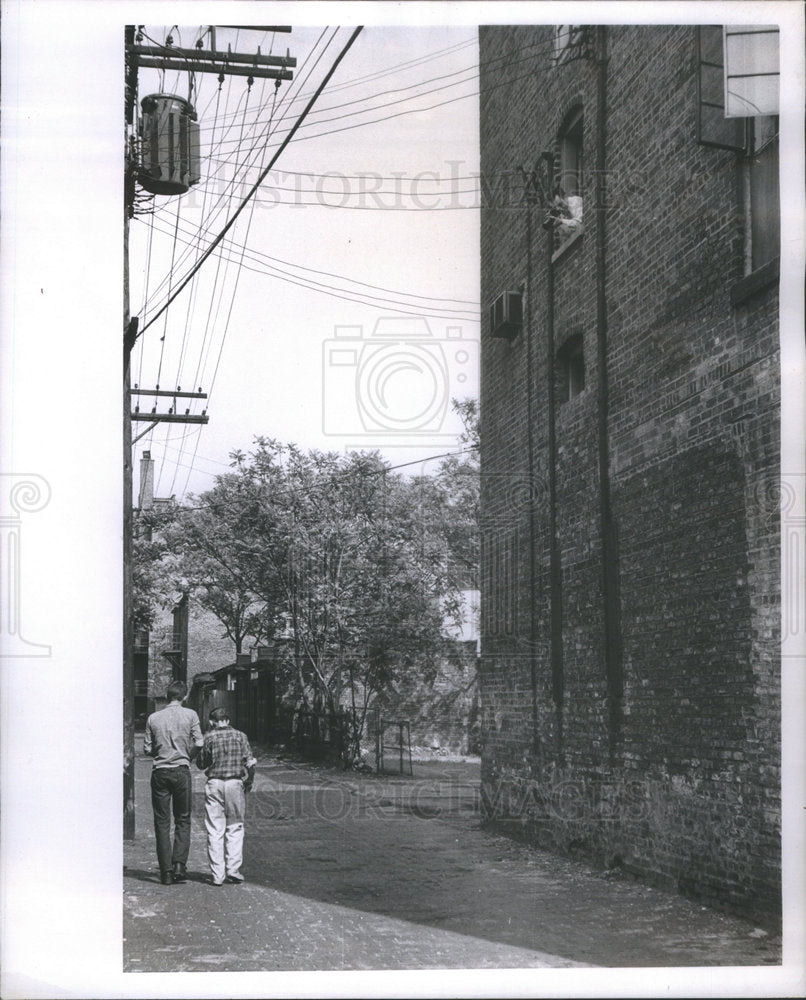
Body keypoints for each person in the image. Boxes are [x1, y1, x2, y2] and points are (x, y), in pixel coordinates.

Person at [143, 680, 204, 885]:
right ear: (184, 696)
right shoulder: (190, 715)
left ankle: (166, 872)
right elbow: (199, 742)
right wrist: (188, 755)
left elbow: (147, 749)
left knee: (161, 822)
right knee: (183, 819)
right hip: (181, 770)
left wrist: (160, 751)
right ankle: (179, 865)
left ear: (167, 696)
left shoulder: (153, 718)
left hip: (160, 771)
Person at [197, 707, 257, 886]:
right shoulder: (241, 736)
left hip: (214, 783)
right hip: (235, 783)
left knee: (215, 829)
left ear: (211, 721)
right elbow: (250, 762)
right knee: (235, 826)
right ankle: (233, 869)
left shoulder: (208, 737)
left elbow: (201, 764)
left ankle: (217, 874)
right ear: (228, 720)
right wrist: (249, 781)